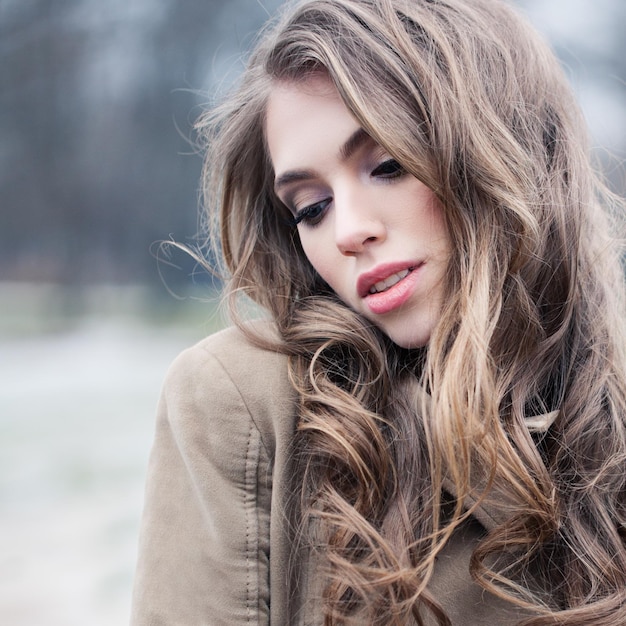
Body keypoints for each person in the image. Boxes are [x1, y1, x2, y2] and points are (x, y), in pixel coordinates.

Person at [130, 0, 626, 624]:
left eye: (388, 166)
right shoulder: (245, 401)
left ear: (506, 155)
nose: (348, 231)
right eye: (311, 206)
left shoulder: (607, 413)